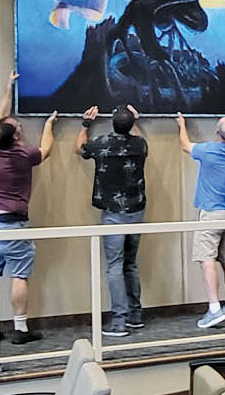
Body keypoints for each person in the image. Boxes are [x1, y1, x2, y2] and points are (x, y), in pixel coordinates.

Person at [0, 71, 57, 345]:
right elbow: (45, 150)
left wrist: (7, 88)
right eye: (18, 129)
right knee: (19, 275)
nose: (20, 129)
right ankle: (20, 328)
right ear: (15, 137)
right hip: (14, 224)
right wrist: (49, 125)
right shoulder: (23, 154)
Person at [74, 104, 148, 338]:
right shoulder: (140, 145)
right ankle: (135, 315)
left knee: (114, 266)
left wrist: (86, 124)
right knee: (131, 263)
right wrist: (136, 120)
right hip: (136, 211)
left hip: (113, 213)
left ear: (112, 124)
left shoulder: (102, 143)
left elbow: (79, 148)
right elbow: (141, 138)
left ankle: (119, 321)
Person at [176, 112, 225, 328]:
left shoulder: (208, 150)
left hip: (212, 214)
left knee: (207, 259)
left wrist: (181, 125)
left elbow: (185, 145)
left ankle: (214, 308)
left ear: (217, 133)